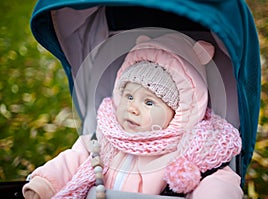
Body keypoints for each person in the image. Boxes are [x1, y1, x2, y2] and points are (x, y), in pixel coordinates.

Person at [23, 33, 243, 199]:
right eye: (128, 96)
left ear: (178, 112)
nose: (132, 108)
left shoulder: (190, 149)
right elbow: (73, 159)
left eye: (148, 102)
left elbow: (218, 180)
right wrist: (44, 184)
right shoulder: (107, 135)